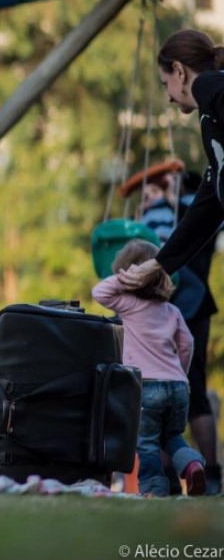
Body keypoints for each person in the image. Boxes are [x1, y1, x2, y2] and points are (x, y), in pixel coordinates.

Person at [120, 28, 224, 493]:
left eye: (166, 84)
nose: (167, 96)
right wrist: (161, 262)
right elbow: (208, 204)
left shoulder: (211, 92)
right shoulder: (208, 119)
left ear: (179, 72)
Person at [93, 239, 205, 496]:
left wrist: (124, 279)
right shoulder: (171, 310)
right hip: (178, 386)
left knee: (147, 445)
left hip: (146, 387)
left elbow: (99, 292)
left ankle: (154, 489)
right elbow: (187, 344)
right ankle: (192, 465)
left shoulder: (128, 305)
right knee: (173, 437)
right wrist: (182, 376)